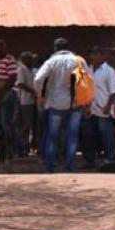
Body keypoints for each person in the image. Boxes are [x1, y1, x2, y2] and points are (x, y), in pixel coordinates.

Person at [34, 37, 84, 172]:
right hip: (76, 103)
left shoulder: (51, 61)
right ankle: (69, 166)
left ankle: (50, 166)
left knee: (52, 136)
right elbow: (88, 80)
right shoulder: (78, 60)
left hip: (56, 103)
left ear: (55, 48)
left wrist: (40, 95)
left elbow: (38, 78)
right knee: (72, 136)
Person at [83, 45, 115, 167]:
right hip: (90, 108)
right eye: (92, 54)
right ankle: (90, 160)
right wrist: (85, 106)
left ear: (103, 56)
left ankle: (110, 158)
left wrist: (108, 106)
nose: (93, 57)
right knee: (89, 134)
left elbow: (114, 91)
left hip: (103, 108)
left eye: (96, 54)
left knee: (106, 134)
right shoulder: (88, 70)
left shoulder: (108, 71)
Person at [0, 39, 19, 160]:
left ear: (4, 48)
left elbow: (12, 79)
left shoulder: (10, 60)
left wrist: (1, 93)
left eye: (0, 48)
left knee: (7, 124)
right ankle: (1, 152)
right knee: (0, 125)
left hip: (8, 94)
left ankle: (11, 151)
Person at [15, 52, 38, 157]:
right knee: (25, 125)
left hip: (33, 101)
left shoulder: (31, 70)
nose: (32, 61)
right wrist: (32, 91)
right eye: (30, 59)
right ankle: (21, 149)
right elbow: (20, 84)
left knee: (32, 126)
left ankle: (28, 148)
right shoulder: (22, 69)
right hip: (25, 101)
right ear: (25, 60)